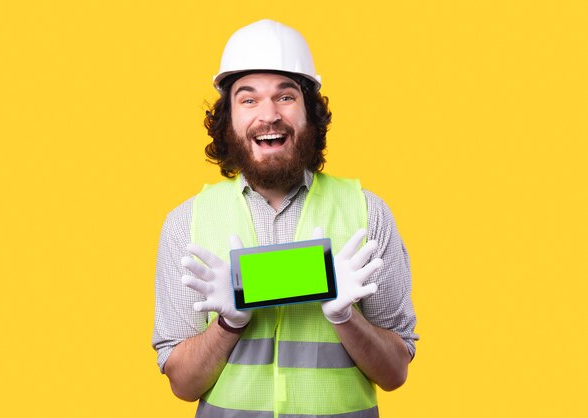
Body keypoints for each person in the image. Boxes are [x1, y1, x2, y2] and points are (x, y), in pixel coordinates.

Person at [152, 19, 418, 418]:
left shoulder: (367, 213)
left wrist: (346, 319)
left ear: (310, 113)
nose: (269, 114)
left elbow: (395, 372)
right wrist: (228, 323)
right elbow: (183, 385)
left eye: (286, 97)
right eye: (249, 99)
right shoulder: (186, 223)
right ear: (228, 119)